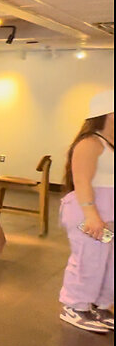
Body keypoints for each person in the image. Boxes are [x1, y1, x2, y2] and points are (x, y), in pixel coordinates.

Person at [57, 90, 114, 333]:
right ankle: (75, 306)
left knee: (108, 262)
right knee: (88, 260)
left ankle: (100, 305)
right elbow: (81, 181)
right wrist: (92, 215)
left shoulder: (109, 144)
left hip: (107, 214)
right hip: (88, 214)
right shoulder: (90, 143)